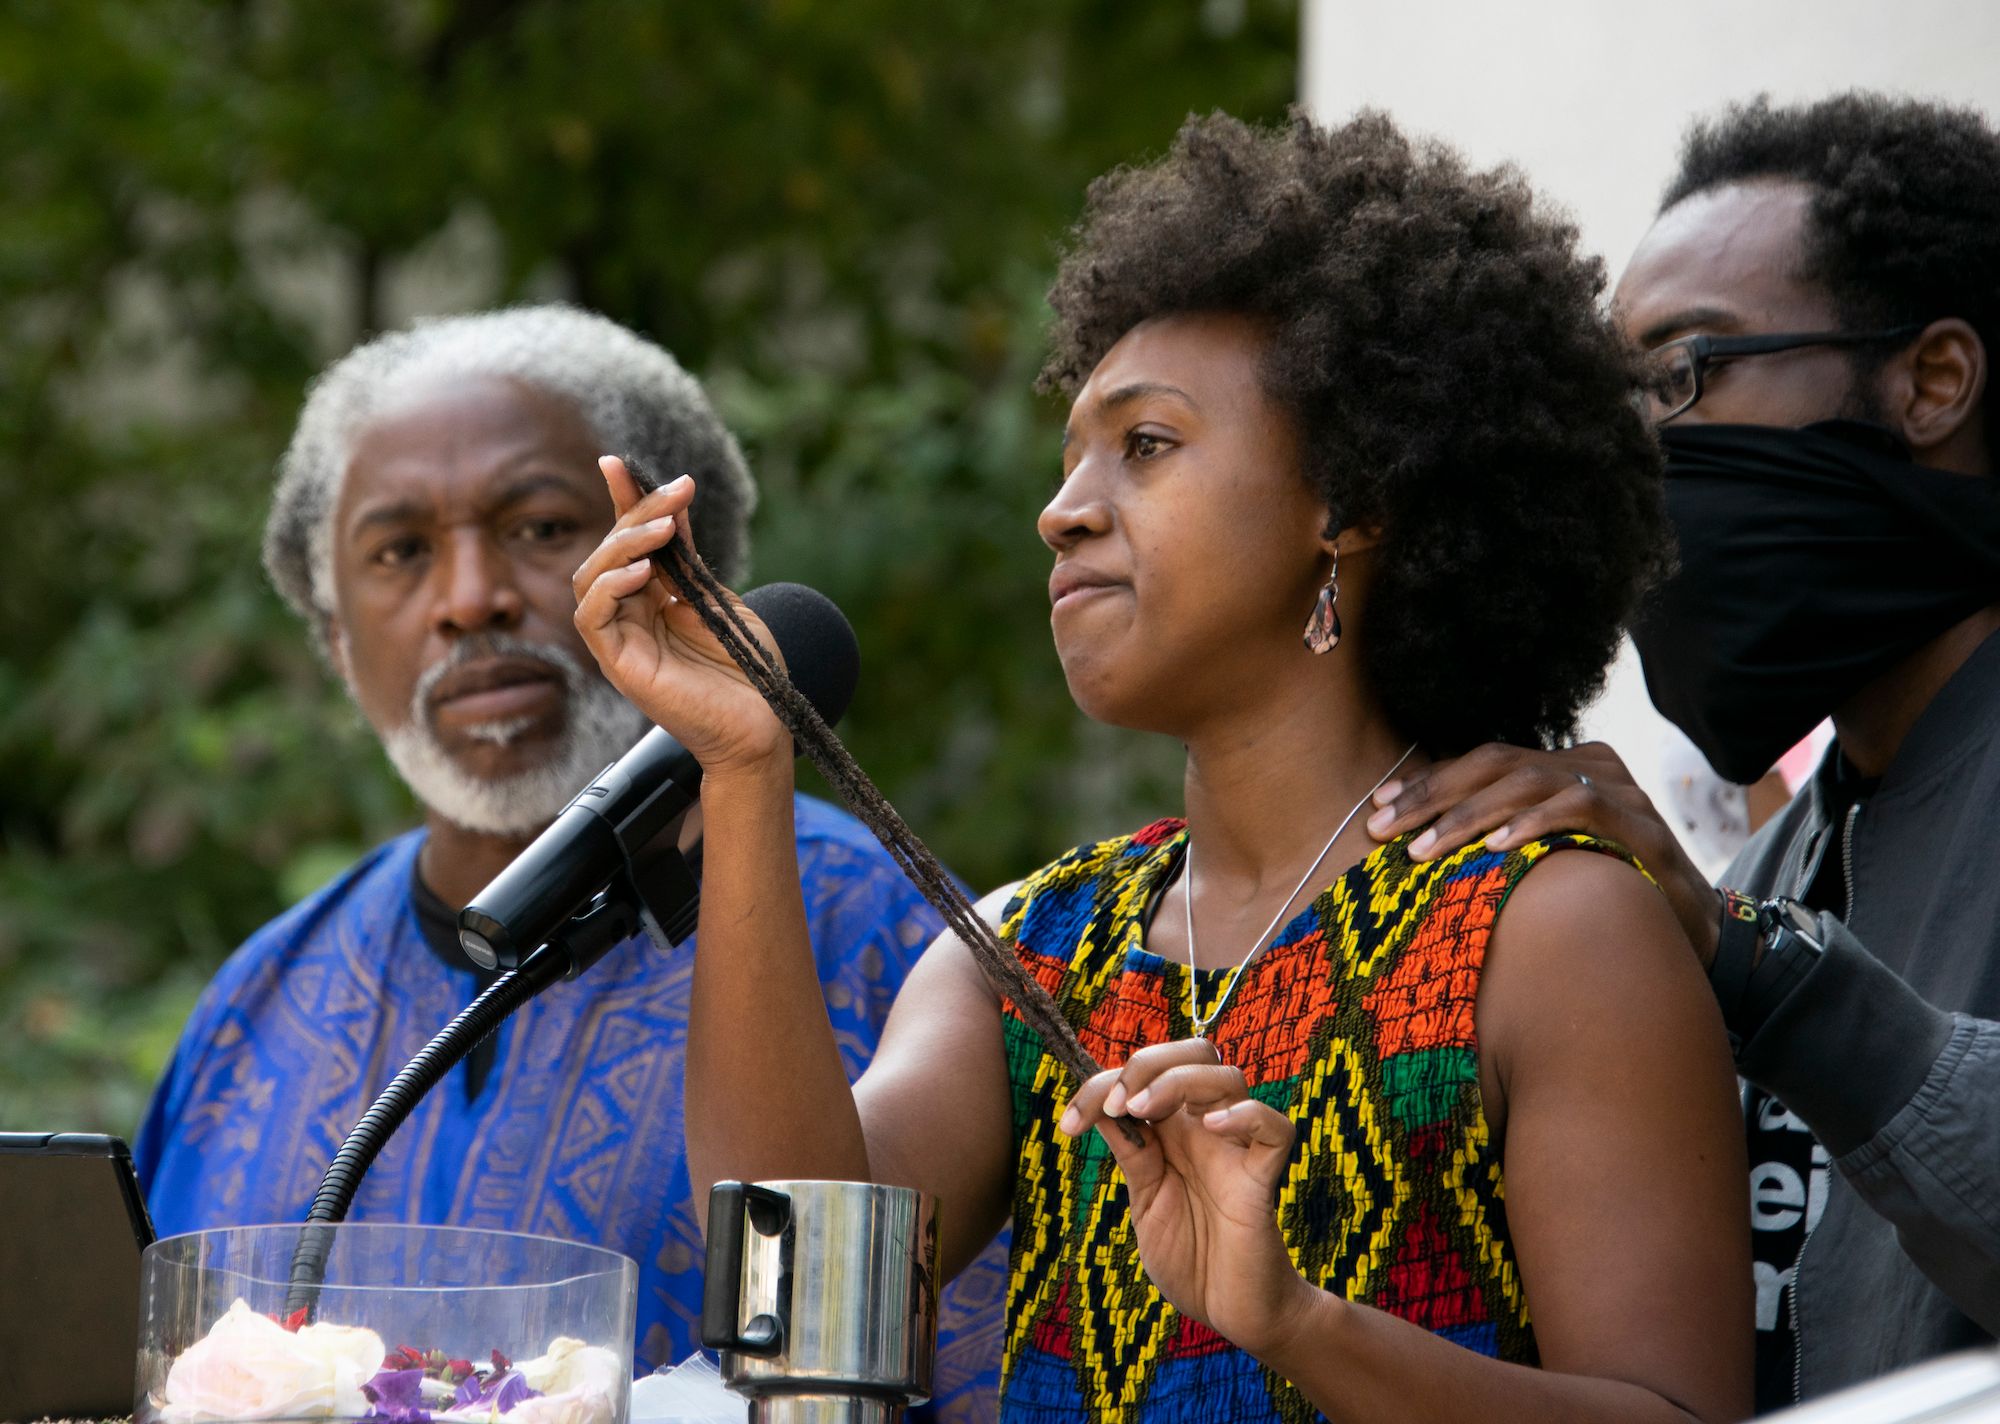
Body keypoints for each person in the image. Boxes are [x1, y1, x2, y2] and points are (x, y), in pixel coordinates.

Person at [572, 113, 1753, 1423]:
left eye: (1145, 444)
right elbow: (795, 1305)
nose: (1061, 510)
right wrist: (743, 768)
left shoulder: (1551, 926)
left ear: (1350, 504)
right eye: (1070, 456)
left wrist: (1297, 1322)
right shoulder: (1031, 950)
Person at [133, 304, 1006, 1409]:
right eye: (400, 552)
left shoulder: (889, 935)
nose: (469, 599)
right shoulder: (256, 998)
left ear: (688, 578)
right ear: (335, 634)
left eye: (542, 528)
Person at [1362, 92, 2000, 1411]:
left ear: (1932, 382)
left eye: (1678, 378)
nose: (1633, 459)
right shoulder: (1778, 860)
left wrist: (1752, 960)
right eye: (1617, 405)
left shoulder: (1741, 917)